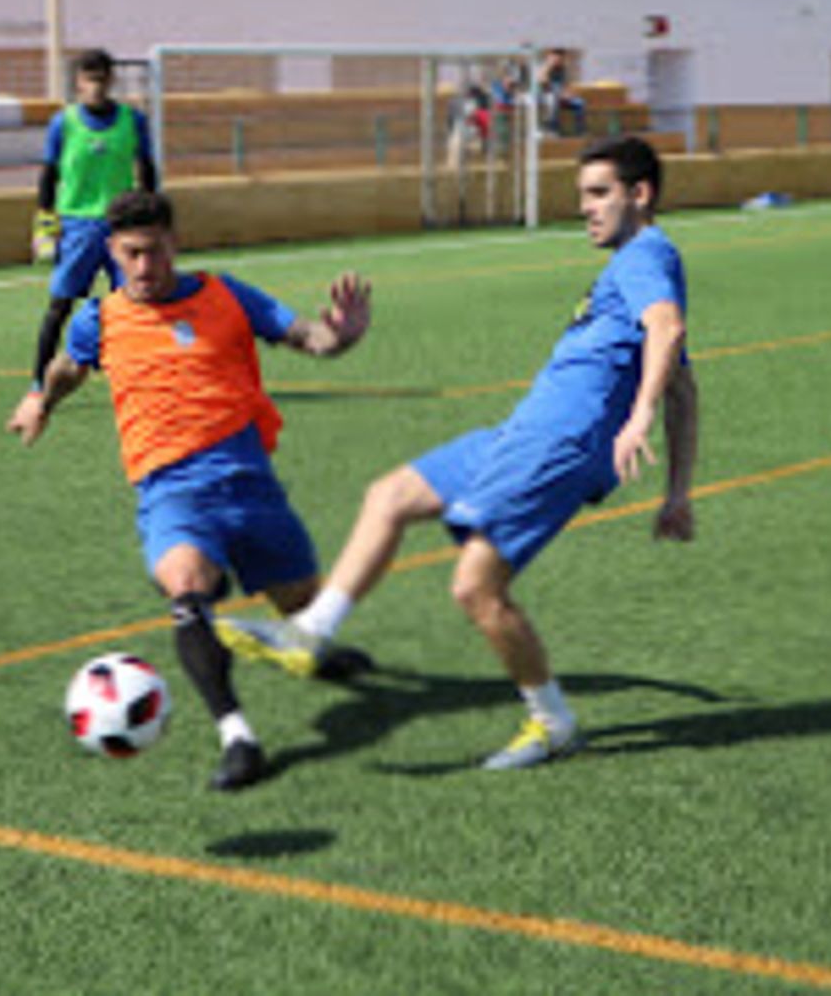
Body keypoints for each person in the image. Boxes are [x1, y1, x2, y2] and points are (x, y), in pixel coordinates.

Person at [217, 135, 699, 772]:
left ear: (641, 195)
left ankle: (552, 722)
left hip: (557, 446)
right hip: (520, 435)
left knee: (476, 589)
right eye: (582, 194)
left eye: (599, 194)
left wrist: (636, 420)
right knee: (390, 496)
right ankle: (309, 632)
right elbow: (684, 387)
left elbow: (669, 331)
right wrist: (678, 492)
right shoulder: (638, 266)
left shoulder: (645, 257)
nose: (585, 208)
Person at [6, 190, 373, 792]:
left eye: (154, 252)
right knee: (186, 589)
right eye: (130, 255)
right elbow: (69, 368)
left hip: (250, 485)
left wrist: (342, 334)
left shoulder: (226, 295)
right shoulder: (99, 318)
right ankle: (237, 736)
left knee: (304, 613)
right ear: (112, 252)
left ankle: (318, 654)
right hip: (171, 490)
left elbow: (308, 336)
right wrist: (39, 399)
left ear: (174, 243)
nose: (144, 268)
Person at [10, 49, 159, 428]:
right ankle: (36, 384)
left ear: (111, 81)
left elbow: (147, 169)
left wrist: (152, 219)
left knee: (137, 306)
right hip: (78, 227)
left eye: (101, 79)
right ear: (78, 82)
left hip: (123, 225)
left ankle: (141, 381)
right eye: (88, 79)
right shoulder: (64, 123)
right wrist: (45, 223)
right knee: (60, 306)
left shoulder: (132, 121)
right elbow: (49, 174)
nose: (95, 86)